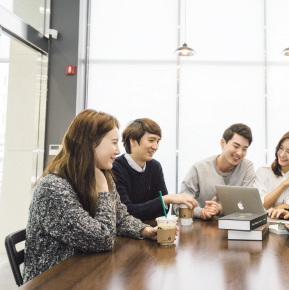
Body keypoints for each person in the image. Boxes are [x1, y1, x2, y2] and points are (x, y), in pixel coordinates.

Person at [23, 110, 162, 283]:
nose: (118, 150)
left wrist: (146, 231)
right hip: (54, 282)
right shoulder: (53, 187)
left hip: (84, 274)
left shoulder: (98, 177)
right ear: (90, 143)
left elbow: (121, 217)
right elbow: (101, 240)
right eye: (113, 143)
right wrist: (104, 191)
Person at [113, 118, 197, 221]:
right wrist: (165, 199)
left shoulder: (155, 166)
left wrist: (160, 202)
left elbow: (163, 211)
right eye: (151, 140)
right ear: (133, 141)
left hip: (152, 230)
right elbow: (125, 212)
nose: (156, 146)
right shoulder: (115, 168)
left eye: (158, 141)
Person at [178, 123, 256, 220]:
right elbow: (179, 205)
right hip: (200, 229)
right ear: (223, 142)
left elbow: (247, 203)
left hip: (233, 229)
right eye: (236, 146)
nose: (240, 153)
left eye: (244, 149)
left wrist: (220, 208)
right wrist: (202, 212)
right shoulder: (199, 169)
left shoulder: (247, 167)